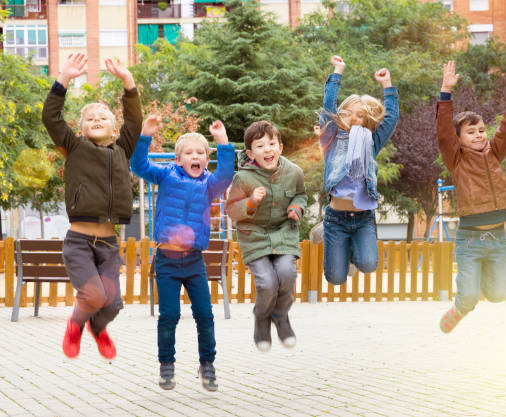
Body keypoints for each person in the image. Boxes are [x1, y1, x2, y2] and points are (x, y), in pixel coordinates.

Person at [42, 53, 143, 360]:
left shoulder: (122, 148)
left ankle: (97, 329)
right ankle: (75, 324)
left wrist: (128, 81)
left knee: (112, 303)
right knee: (94, 294)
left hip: (109, 243)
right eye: (90, 118)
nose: (97, 120)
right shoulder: (73, 147)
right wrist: (64, 78)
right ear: (82, 128)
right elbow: (51, 118)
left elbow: (135, 119)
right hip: (80, 242)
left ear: (114, 127)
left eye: (103, 117)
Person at [130, 116, 235, 391]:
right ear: (178, 160)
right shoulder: (166, 175)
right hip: (166, 260)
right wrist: (145, 136)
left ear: (206, 159)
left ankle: (207, 364)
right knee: (169, 315)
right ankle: (167, 365)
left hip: (193, 261)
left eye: (200, 152)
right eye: (189, 153)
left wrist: (222, 141)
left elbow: (226, 174)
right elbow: (138, 165)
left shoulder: (210, 184)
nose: (195, 156)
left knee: (204, 314)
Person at [437, 59, 506, 333]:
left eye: (481, 130)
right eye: (470, 132)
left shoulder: (494, 153)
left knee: (498, 295)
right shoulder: (456, 160)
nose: (479, 136)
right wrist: (446, 92)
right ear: (459, 140)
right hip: (469, 241)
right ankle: (459, 308)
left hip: (497, 239)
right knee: (469, 298)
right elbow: (445, 132)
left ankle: (476, 281)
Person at [313, 55, 399, 285]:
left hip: (363, 219)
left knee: (369, 264)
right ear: (340, 116)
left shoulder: (371, 141)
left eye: (359, 114)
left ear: (366, 120)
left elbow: (391, 119)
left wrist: (388, 86)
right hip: (336, 218)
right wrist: (337, 72)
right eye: (347, 113)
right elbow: (328, 107)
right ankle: (327, 232)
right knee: (335, 278)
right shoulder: (331, 138)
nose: (352, 118)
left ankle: (351, 250)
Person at [227, 121, 307, 352]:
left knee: (287, 273)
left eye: (272, 143)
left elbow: (301, 195)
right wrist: (250, 202)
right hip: (255, 236)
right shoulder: (243, 178)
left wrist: (297, 208)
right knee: (268, 282)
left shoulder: (294, 172)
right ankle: (262, 319)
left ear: (280, 147)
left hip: (283, 233)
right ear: (251, 153)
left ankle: (281, 316)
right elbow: (231, 210)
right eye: (260, 146)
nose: (268, 149)